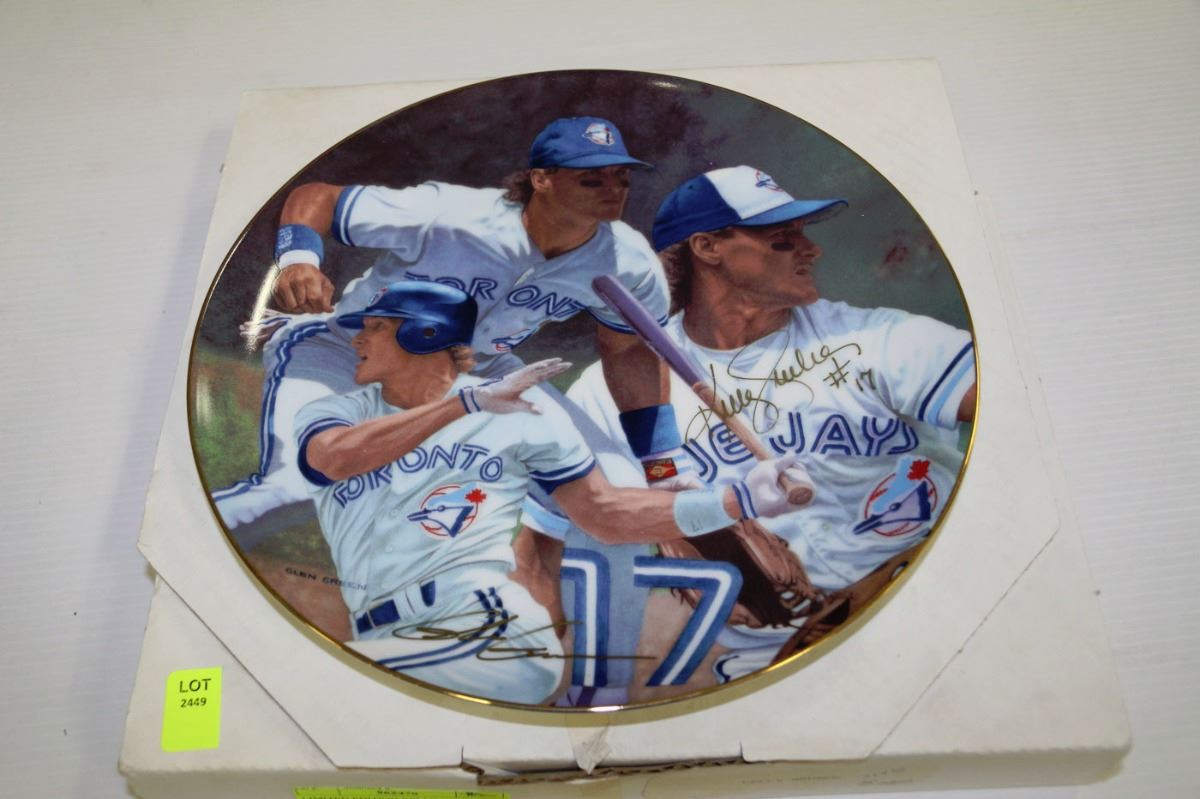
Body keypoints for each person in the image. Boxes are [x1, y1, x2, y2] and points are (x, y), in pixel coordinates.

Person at [536, 165, 977, 692]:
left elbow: (1013, 407)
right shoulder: (611, 393)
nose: (810, 249)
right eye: (782, 239)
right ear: (707, 247)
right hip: (776, 661)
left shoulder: (878, 340)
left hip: (926, 596)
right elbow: (558, 534)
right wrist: (672, 525)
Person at [293, 280, 810, 705]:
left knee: (324, 692)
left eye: (376, 328)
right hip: (385, 635)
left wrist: (737, 500)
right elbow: (332, 459)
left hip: (485, 630)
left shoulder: (523, 414)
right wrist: (466, 405)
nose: (358, 340)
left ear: (424, 334)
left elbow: (605, 513)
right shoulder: (339, 413)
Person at [215, 117, 688, 536]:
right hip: (350, 351)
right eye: (592, 178)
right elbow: (317, 198)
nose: (613, 189)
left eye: (622, 177)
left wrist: (660, 462)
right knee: (295, 488)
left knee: (622, 488)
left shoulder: (627, 262)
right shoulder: (452, 215)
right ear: (541, 178)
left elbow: (629, 351)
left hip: (480, 371)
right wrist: (298, 260)